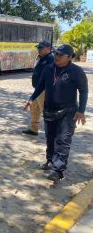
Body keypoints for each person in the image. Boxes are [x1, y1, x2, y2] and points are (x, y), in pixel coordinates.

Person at [24, 44, 88, 182]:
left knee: (63, 140)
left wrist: (81, 111)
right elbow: (40, 86)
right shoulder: (48, 68)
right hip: (50, 109)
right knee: (50, 138)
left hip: (68, 111)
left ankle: (58, 170)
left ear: (70, 57)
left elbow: (83, 90)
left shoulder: (76, 71)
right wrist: (31, 99)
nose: (57, 57)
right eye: (56, 54)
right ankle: (50, 161)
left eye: (60, 55)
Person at [22, 40, 54, 136]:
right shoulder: (42, 58)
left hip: (44, 90)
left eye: (41, 48)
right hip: (38, 89)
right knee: (34, 108)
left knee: (45, 111)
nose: (39, 49)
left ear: (48, 48)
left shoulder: (51, 59)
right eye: (38, 47)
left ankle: (52, 132)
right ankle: (33, 129)